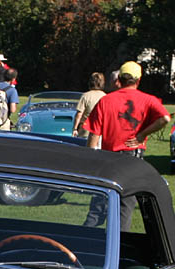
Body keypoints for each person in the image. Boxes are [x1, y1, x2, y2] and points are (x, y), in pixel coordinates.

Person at [85, 61, 170, 229]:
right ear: (138, 80)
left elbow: (93, 137)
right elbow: (165, 119)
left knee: (97, 208)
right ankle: (119, 249)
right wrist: (142, 135)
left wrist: (90, 164)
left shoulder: (105, 101)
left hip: (108, 160)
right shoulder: (148, 100)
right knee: (125, 207)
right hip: (132, 160)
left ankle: (83, 243)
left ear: (119, 80)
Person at [72, 72, 106, 138]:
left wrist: (75, 129)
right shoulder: (105, 96)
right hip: (100, 133)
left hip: (85, 131)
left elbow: (79, 114)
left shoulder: (85, 96)